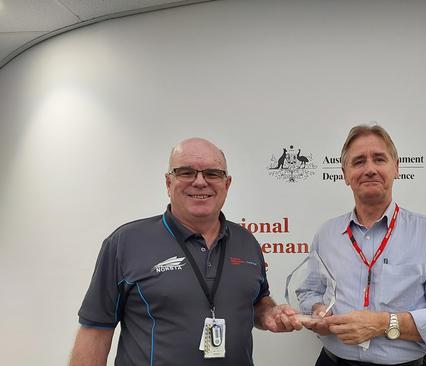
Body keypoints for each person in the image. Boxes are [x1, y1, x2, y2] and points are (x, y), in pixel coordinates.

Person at [69, 138, 301, 366]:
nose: (200, 182)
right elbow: (96, 329)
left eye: (212, 173)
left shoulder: (246, 241)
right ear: (169, 183)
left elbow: (257, 300)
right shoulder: (125, 242)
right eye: (186, 172)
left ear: (227, 184)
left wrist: (268, 312)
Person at [299, 124, 426, 366]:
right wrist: (318, 309)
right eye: (359, 162)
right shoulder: (327, 234)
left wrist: (385, 323)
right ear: (345, 174)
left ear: (396, 168)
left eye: (379, 159)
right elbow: (309, 291)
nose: (369, 169)